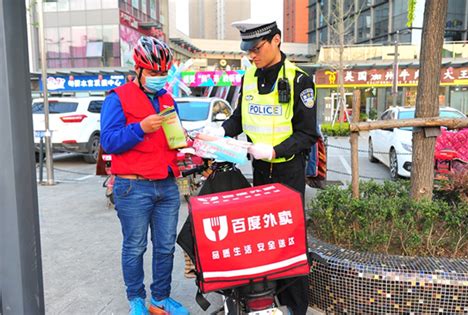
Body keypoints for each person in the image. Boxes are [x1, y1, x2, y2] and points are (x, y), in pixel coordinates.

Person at [204, 19, 317, 315]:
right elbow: (240, 117)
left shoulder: (299, 79)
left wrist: (275, 150)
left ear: (276, 40)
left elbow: (307, 134)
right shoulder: (250, 76)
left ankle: (295, 306)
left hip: (288, 170)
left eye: (256, 49)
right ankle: (265, 297)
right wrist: (221, 131)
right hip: (260, 171)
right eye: (247, 51)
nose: (251, 56)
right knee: (265, 236)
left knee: (289, 238)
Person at [100, 36, 189, 315]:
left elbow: (174, 137)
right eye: (153, 73)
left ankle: (160, 299)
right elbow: (109, 141)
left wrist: (184, 141)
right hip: (133, 187)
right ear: (137, 70)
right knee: (135, 247)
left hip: (167, 185)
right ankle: (136, 299)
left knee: (165, 248)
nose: (159, 78)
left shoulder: (167, 98)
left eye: (164, 73)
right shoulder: (118, 98)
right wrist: (140, 128)